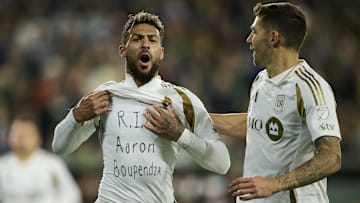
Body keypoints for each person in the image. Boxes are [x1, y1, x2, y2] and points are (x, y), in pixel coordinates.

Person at [52, 10, 230, 203]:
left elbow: (223, 163)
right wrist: (77, 116)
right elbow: (59, 146)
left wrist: (180, 135)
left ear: (161, 53)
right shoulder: (105, 96)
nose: (145, 44)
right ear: (123, 50)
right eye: (137, 39)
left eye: (152, 40)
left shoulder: (181, 99)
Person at [209, 2, 342, 203]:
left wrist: (275, 184)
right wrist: (195, 117)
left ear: (273, 38)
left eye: (254, 32)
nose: (249, 40)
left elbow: (332, 158)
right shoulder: (261, 80)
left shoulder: (311, 88)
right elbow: (256, 124)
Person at [0, 113, 82, 203]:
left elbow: (72, 194)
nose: (21, 139)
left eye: (26, 135)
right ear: (9, 137)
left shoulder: (52, 164)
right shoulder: (2, 166)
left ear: (37, 137)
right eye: (18, 134)